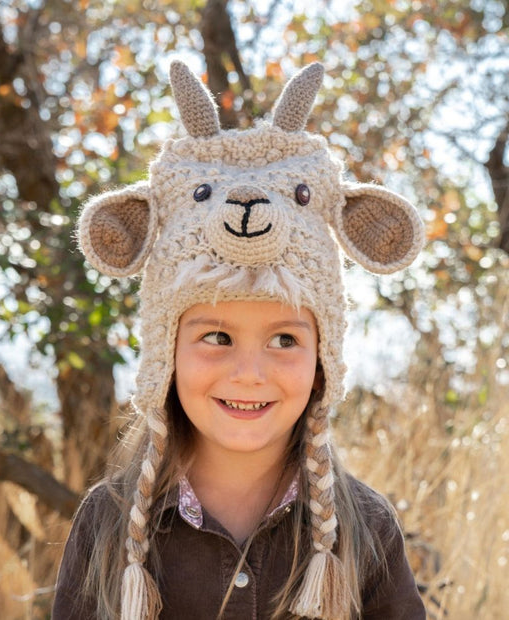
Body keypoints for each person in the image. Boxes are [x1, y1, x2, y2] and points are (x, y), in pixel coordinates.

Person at [53, 60, 427, 620]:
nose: (249, 372)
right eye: (217, 336)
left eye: (284, 340)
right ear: (166, 355)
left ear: (323, 362)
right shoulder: (108, 523)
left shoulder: (365, 530)